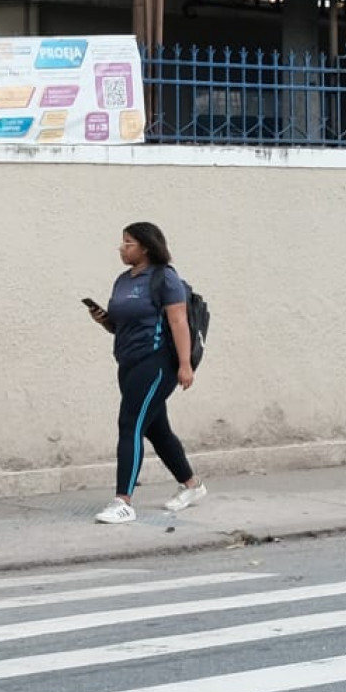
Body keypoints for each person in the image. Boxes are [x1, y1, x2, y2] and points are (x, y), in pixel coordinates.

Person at [85, 221, 206, 524]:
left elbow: (178, 322)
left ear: (146, 247)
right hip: (128, 362)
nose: (122, 248)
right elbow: (122, 325)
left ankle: (123, 501)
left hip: (157, 363)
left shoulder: (165, 278)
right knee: (155, 428)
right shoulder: (122, 281)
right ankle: (192, 486)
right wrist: (103, 320)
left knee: (130, 424)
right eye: (122, 242)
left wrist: (184, 364)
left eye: (128, 243)